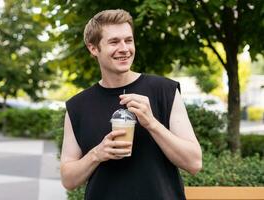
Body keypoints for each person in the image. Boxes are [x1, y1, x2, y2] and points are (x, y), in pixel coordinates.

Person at [60, 9, 202, 200]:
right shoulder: (78, 106)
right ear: (93, 48)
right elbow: (68, 179)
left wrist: (151, 123)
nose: (124, 48)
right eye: (114, 42)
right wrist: (97, 154)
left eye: (128, 40)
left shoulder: (164, 91)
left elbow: (194, 162)